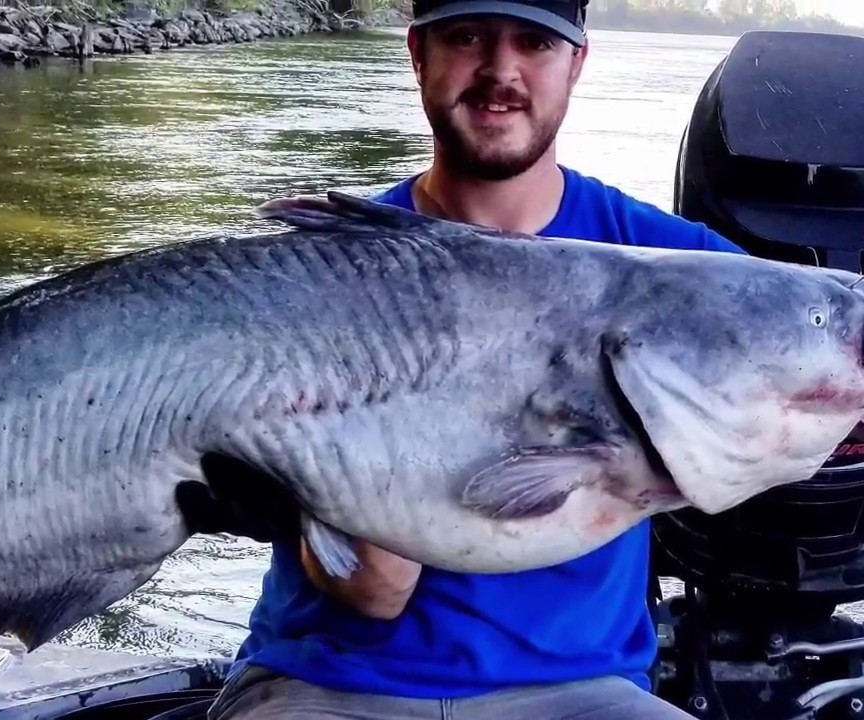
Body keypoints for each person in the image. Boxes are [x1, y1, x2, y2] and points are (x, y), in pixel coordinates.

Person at [205, 1, 747, 719]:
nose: (500, 71)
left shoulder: (684, 272)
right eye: (467, 38)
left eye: (534, 42)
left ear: (577, 63)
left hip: (584, 696)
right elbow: (370, 589)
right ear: (418, 55)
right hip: (324, 686)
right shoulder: (323, 275)